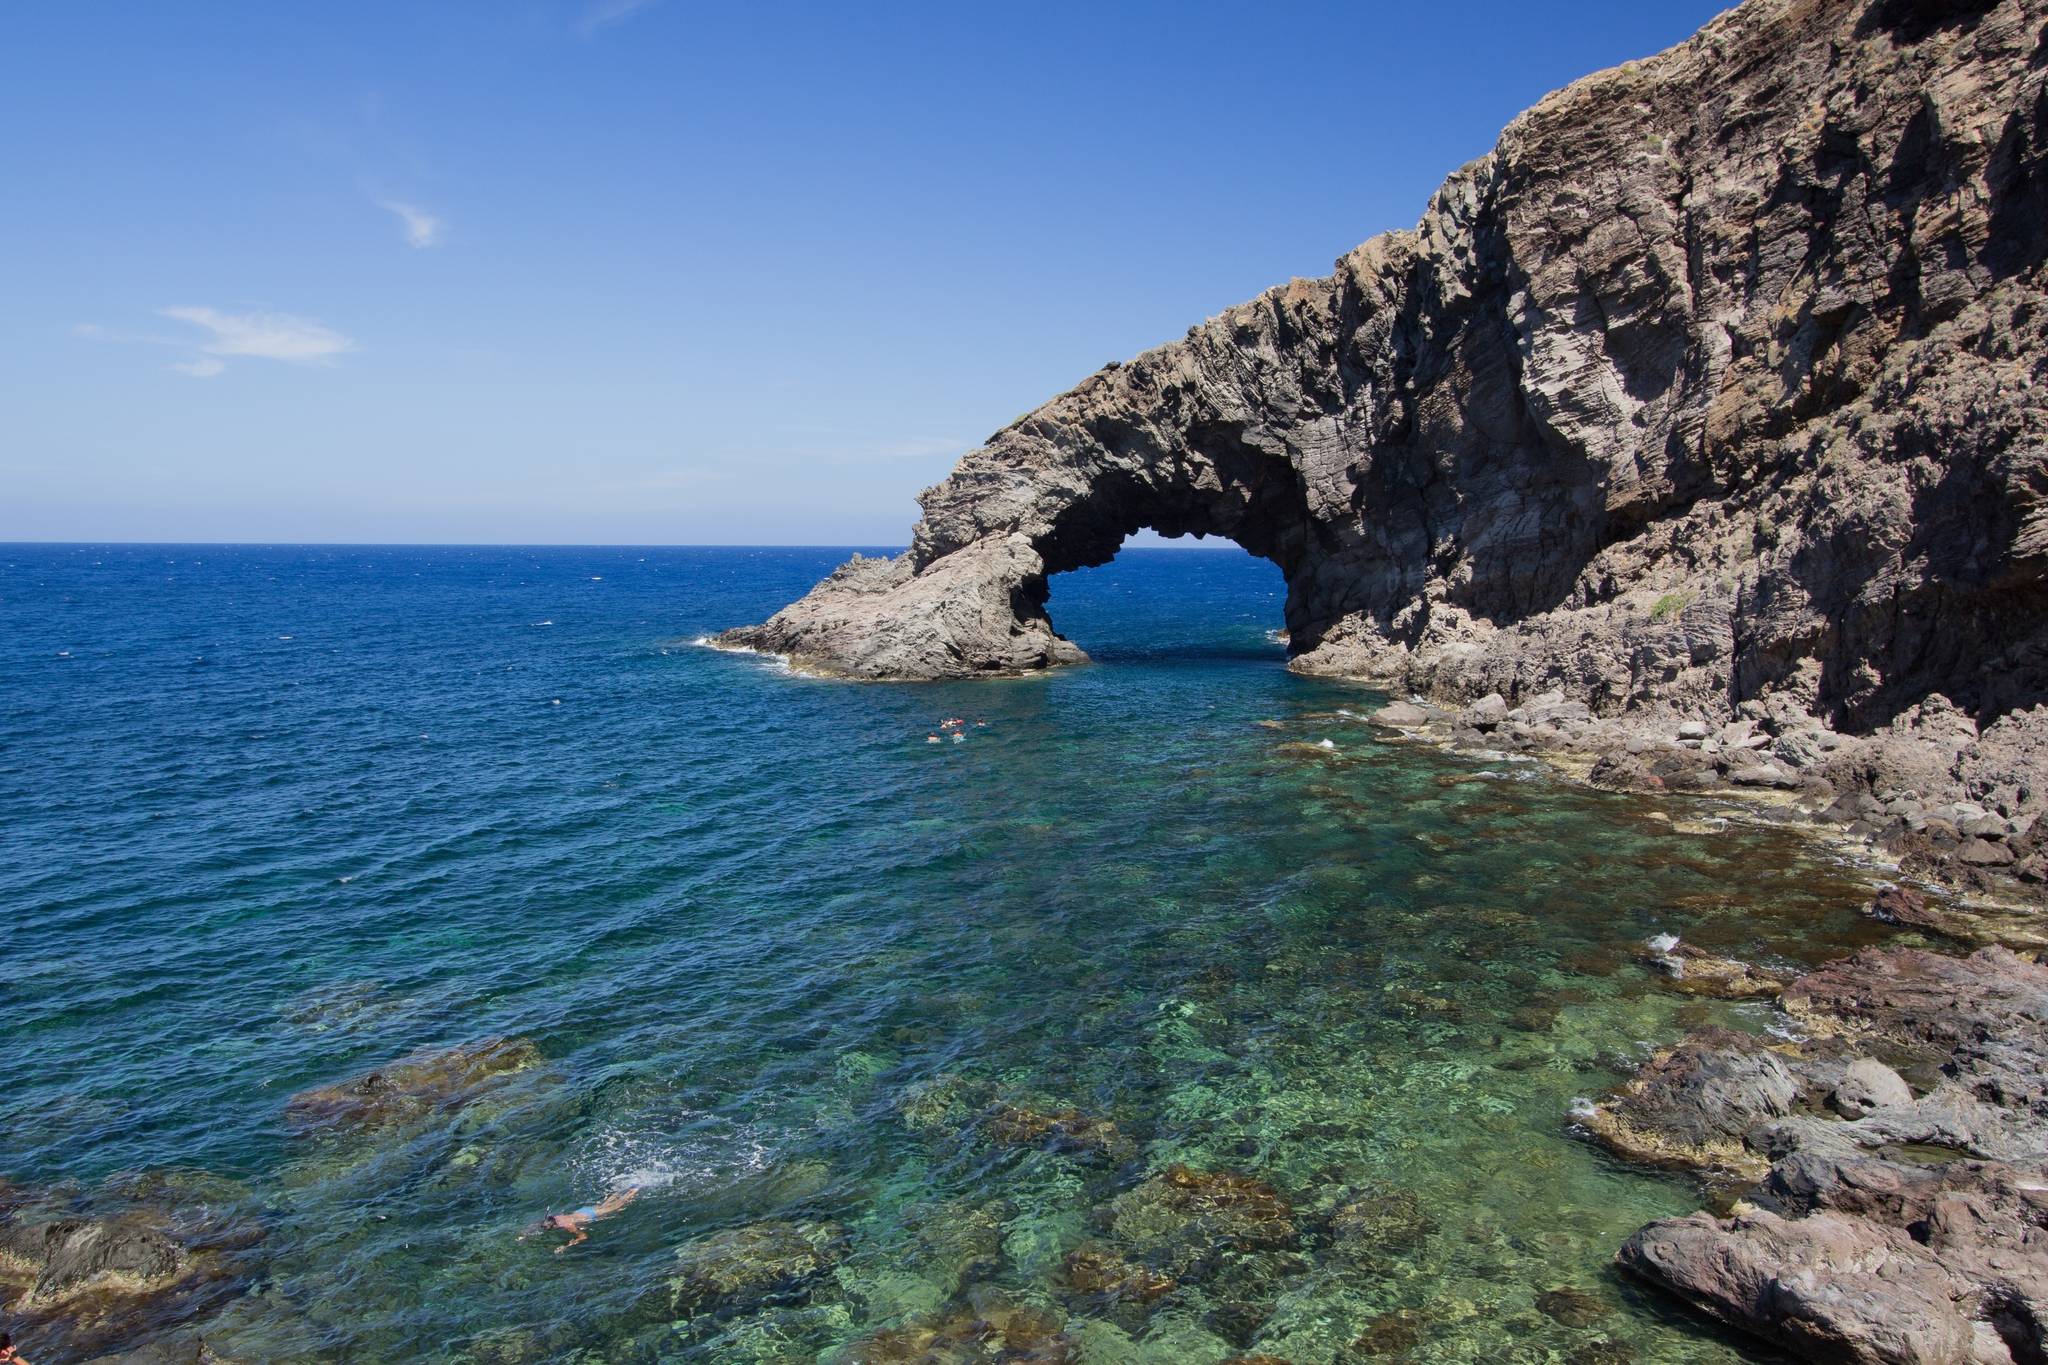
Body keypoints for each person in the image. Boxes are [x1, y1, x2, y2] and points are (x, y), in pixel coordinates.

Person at [526, 1186, 639, 1253]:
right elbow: (540, 1223)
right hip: (583, 1210)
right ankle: (623, 1187)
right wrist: (525, 1234)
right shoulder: (554, 1218)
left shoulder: (568, 1225)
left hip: (591, 1215)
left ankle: (635, 1189)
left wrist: (566, 1246)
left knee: (619, 1205)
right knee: (605, 1204)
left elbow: (583, 1236)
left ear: (555, 1226)